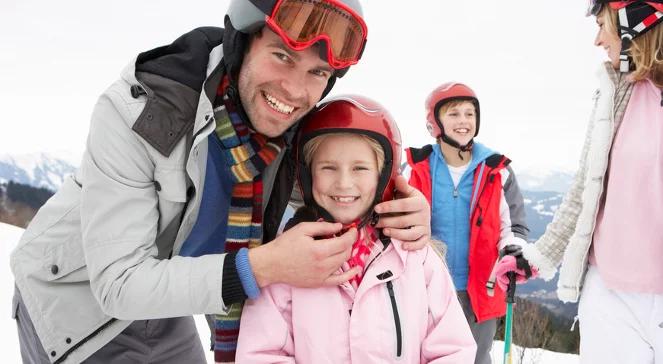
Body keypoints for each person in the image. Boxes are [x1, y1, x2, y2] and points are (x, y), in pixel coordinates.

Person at [9, 1, 433, 363]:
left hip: (171, 296)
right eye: (282, 55)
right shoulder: (142, 113)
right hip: (77, 295)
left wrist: (396, 209)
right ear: (241, 42)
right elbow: (119, 285)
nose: (294, 90)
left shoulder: (286, 133)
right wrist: (265, 266)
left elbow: (338, 191)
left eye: (317, 72)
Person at [236, 95, 477, 363]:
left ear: (383, 175)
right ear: (307, 174)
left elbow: (453, 349)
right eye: (328, 167)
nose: (344, 183)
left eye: (360, 168)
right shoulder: (286, 263)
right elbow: (261, 353)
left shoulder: (414, 258)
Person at [495, 1, 663, 362]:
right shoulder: (616, 91)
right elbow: (585, 190)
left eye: (603, 25)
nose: (598, 40)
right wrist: (536, 258)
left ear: (634, 24)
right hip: (610, 296)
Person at [405, 82, 531, 364]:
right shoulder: (416, 169)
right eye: (453, 114)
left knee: (476, 357)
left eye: (469, 113)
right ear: (435, 123)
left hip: (479, 289)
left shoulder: (496, 170)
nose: (463, 121)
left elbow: (515, 226)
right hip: (425, 288)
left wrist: (512, 249)